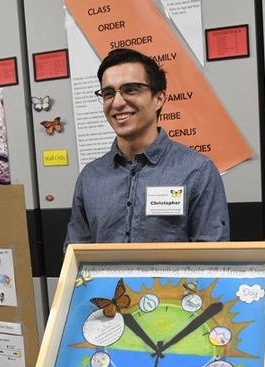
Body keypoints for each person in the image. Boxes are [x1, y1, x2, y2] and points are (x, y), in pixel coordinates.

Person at [64, 48, 229, 249]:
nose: (117, 102)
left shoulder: (197, 171)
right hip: (106, 283)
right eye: (108, 94)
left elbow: (211, 259)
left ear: (159, 98)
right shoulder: (90, 177)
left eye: (131, 90)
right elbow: (75, 258)